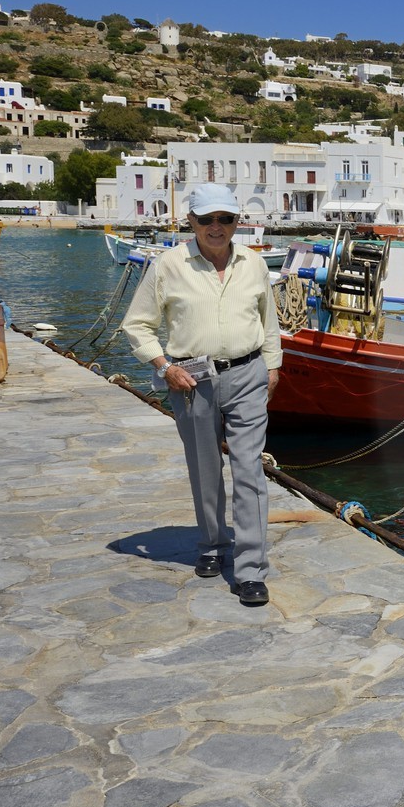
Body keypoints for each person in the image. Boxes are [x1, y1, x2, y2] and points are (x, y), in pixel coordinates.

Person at [121, 184, 283, 607]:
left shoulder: (254, 263)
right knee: (205, 469)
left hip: (248, 373)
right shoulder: (168, 265)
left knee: (250, 471)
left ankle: (251, 570)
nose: (217, 227)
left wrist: (273, 364)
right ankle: (212, 545)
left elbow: (268, 320)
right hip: (192, 381)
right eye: (207, 219)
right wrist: (164, 367)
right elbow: (137, 325)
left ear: (236, 222)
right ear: (190, 221)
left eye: (225, 219)